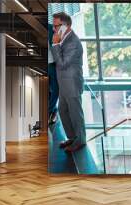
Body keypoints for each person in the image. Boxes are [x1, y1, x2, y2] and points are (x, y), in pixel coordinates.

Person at [51, 12, 86, 152]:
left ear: (66, 26)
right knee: (63, 111)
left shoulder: (74, 43)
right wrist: (58, 43)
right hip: (64, 84)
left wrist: (55, 45)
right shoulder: (64, 39)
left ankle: (80, 141)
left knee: (75, 114)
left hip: (72, 84)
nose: (54, 29)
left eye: (56, 26)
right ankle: (72, 138)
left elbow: (62, 64)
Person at [48, 23, 59, 125]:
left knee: (55, 89)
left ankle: (49, 110)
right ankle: (53, 110)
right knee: (48, 90)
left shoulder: (51, 28)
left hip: (53, 64)